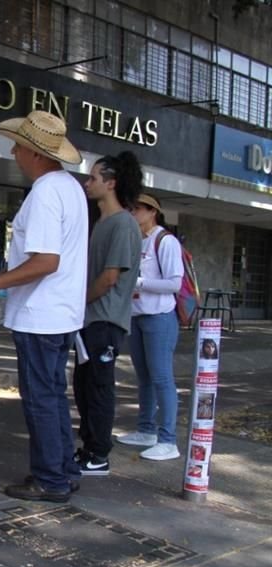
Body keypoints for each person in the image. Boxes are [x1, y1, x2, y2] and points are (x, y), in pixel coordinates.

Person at [0, 111, 87, 503]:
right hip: (60, 313)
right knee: (53, 395)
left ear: (35, 152)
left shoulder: (47, 192)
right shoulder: (70, 188)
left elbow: (44, 261)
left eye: (18, 146)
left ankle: (50, 478)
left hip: (41, 314)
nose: (14, 152)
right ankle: (64, 470)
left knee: (41, 398)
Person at [74, 152, 143, 477]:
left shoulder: (123, 224)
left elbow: (109, 277)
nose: (88, 183)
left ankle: (99, 454)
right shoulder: (99, 222)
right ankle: (88, 448)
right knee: (84, 387)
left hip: (105, 321)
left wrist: (80, 302)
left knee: (99, 388)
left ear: (111, 183)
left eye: (93, 178)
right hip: (89, 321)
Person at [116, 193, 184, 461]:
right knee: (144, 377)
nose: (132, 213)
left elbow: (174, 283)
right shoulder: (138, 240)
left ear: (151, 211)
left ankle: (168, 440)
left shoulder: (165, 241)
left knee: (161, 377)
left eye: (137, 209)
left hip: (159, 316)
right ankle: (146, 430)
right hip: (138, 315)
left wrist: (140, 282)